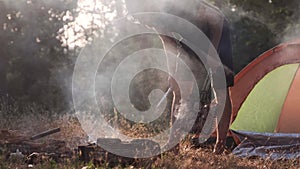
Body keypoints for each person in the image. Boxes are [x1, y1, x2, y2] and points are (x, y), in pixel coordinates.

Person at [125, 0, 234, 154]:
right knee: (180, 88)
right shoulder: (155, 21)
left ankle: (221, 145)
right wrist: (173, 72)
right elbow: (168, 44)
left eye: (141, 17)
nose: (142, 22)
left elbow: (216, 19)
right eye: (137, 19)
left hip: (217, 32)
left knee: (220, 88)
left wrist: (212, 53)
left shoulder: (172, 7)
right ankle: (173, 143)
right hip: (191, 38)